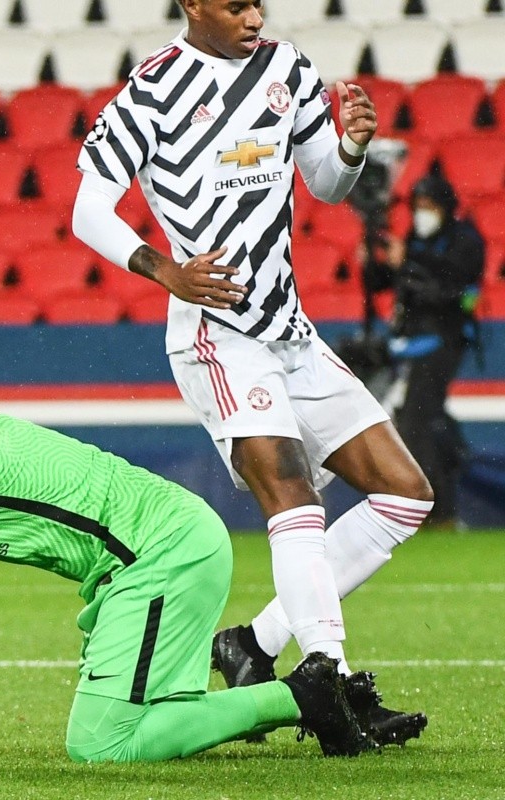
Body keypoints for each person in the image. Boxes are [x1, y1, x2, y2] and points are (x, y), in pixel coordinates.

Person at [72, 0, 432, 745]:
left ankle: (255, 646)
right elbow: (87, 207)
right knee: (292, 491)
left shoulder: (286, 68)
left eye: (260, 1)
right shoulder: (152, 91)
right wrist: (163, 269)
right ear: (191, 4)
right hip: (217, 332)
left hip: (289, 331)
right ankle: (327, 682)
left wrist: (352, 150)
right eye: (236, 3)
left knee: (405, 495)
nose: (255, 15)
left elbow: (326, 184)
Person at [0, 331, 377, 763]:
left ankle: (302, 694)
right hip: (144, 561)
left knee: (102, 743)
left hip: (162, 553)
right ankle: (315, 696)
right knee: (151, 728)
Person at [369, 174, 485, 528]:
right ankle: (438, 503)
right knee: (423, 419)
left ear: (446, 207)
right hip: (411, 340)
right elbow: (384, 284)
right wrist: (375, 262)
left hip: (444, 340)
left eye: (429, 206)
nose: (422, 214)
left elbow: (454, 285)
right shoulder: (415, 237)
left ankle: (437, 510)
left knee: (417, 420)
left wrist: (407, 263)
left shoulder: (466, 239)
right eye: (417, 207)